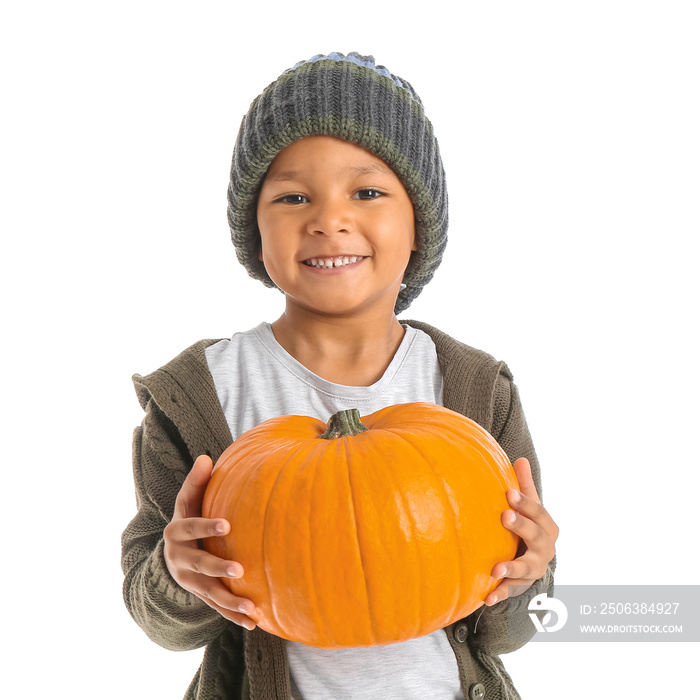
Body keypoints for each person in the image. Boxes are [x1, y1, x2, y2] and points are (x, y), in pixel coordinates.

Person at [121, 51, 558, 700]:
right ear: (256, 232)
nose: (329, 218)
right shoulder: (201, 395)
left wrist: (531, 578)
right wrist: (178, 575)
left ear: (419, 227)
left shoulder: (472, 388)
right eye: (294, 196)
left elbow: (504, 632)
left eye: (368, 191)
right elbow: (158, 615)